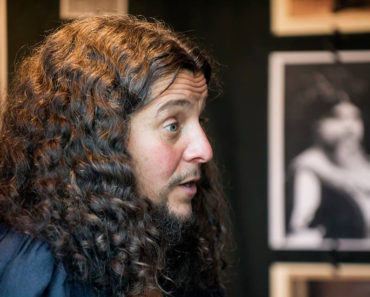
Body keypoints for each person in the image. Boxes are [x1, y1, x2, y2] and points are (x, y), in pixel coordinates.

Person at [0, 16, 230, 297]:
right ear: (99, 139)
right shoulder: (32, 275)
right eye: (173, 125)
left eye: (200, 120)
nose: (205, 150)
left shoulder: (173, 255)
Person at [287, 87, 370, 246]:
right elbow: (300, 231)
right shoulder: (308, 167)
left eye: (355, 118)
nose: (349, 126)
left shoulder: (365, 164)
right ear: (316, 124)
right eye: (337, 117)